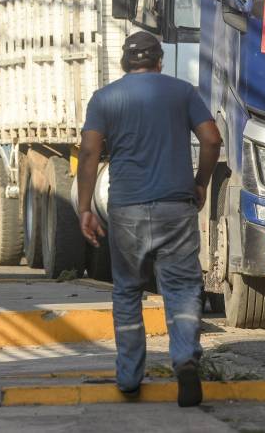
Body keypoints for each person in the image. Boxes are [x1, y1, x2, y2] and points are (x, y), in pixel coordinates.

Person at [76, 31, 222, 407]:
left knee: (127, 292)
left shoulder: (104, 99)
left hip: (127, 211)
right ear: (159, 61)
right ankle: (186, 359)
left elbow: (90, 153)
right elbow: (211, 139)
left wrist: (85, 208)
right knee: (182, 288)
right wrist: (201, 182)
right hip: (177, 205)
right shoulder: (182, 92)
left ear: (126, 64)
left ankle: (128, 377)